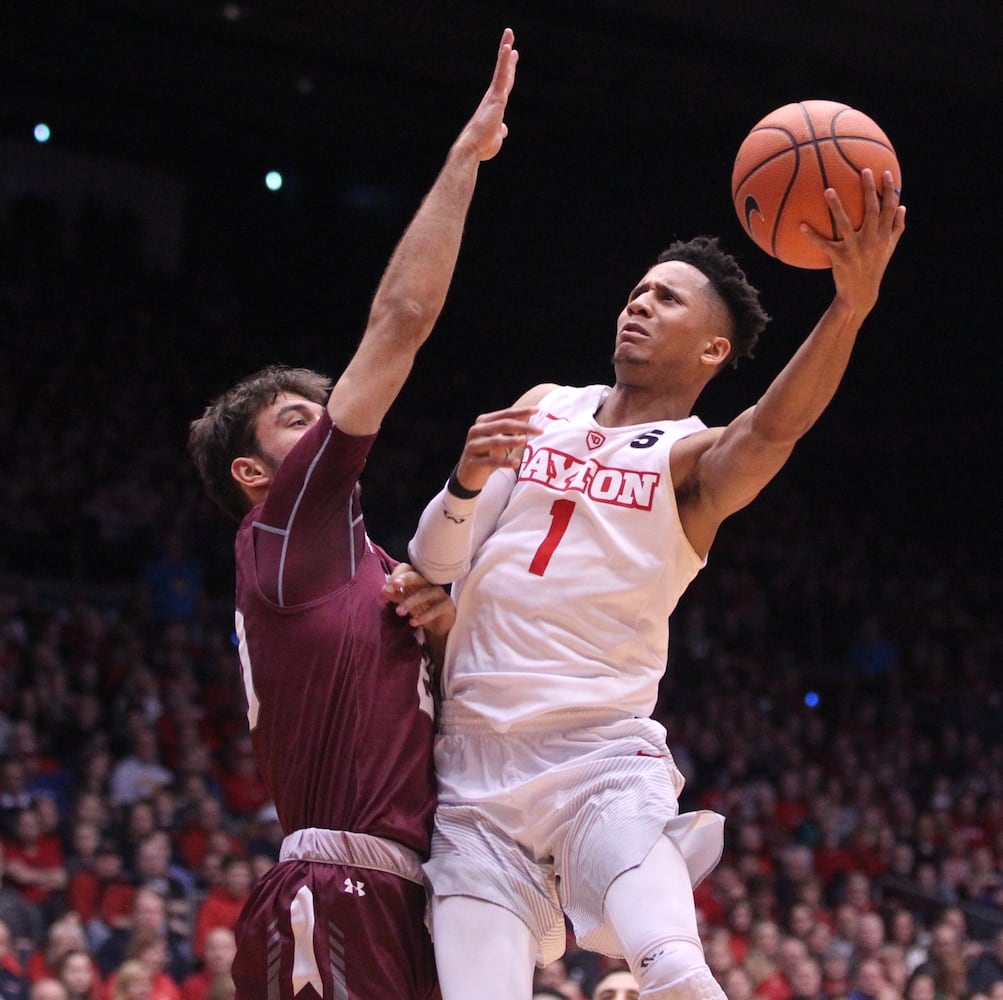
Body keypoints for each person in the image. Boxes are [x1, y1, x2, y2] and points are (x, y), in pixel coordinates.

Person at [407, 164, 905, 999]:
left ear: (713, 349)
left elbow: (773, 430)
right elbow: (441, 566)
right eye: (637, 290)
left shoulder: (690, 462)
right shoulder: (543, 406)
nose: (638, 303)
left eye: (667, 299)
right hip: (469, 771)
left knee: (673, 971)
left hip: (596, 758)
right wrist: (435, 591)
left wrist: (848, 307)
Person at [185, 27, 519, 1000]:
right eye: (301, 416)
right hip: (336, 886)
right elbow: (402, 322)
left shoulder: (376, 570)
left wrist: (450, 628)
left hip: (417, 891)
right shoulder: (284, 532)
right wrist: (464, 158)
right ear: (255, 472)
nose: (328, 420)